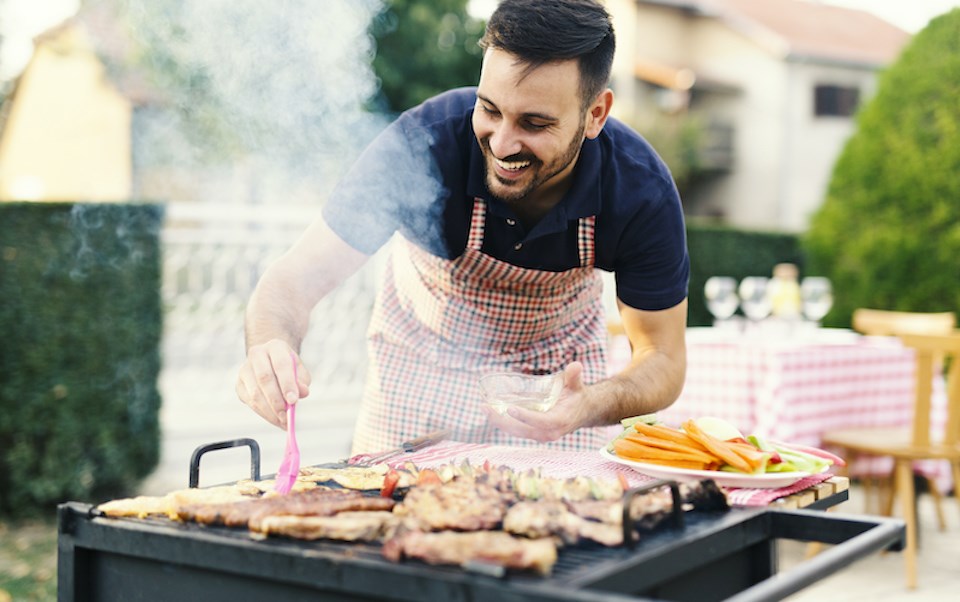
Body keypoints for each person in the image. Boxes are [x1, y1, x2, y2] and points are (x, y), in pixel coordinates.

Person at [236, 0, 689, 454]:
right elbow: (290, 283)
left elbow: (663, 360)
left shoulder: (638, 190)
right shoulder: (424, 144)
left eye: (534, 123)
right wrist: (270, 347)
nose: (503, 143)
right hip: (419, 374)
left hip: (556, 395)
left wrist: (588, 404)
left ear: (595, 114)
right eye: (490, 109)